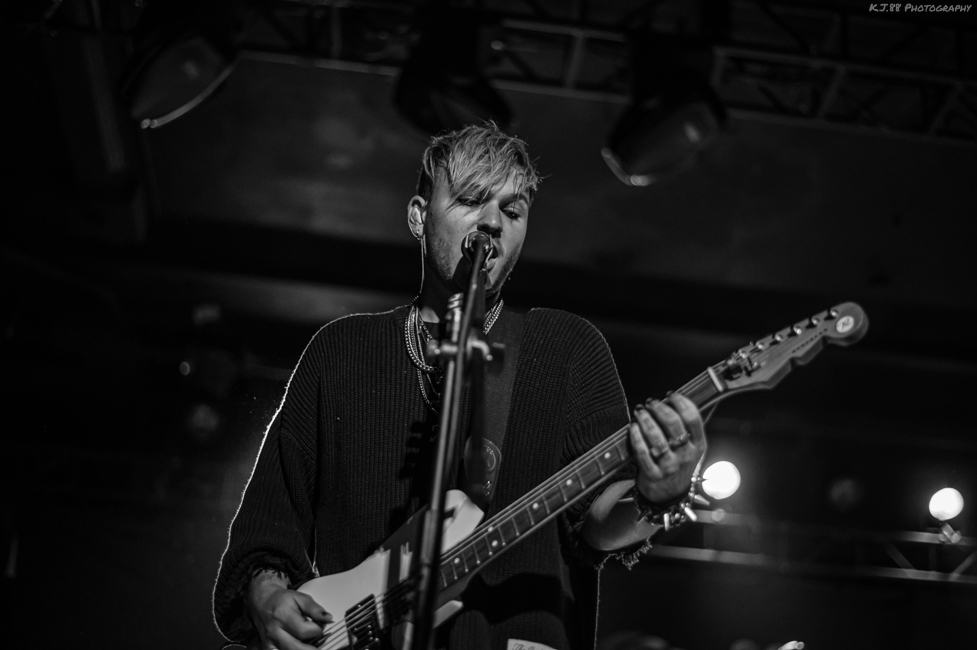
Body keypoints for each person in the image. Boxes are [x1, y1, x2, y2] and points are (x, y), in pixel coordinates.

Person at [213, 123, 707, 650]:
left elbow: (598, 526)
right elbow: (267, 529)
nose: (492, 222)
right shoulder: (340, 353)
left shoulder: (566, 349)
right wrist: (267, 598)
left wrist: (660, 496)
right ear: (419, 216)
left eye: (512, 212)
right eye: (471, 200)